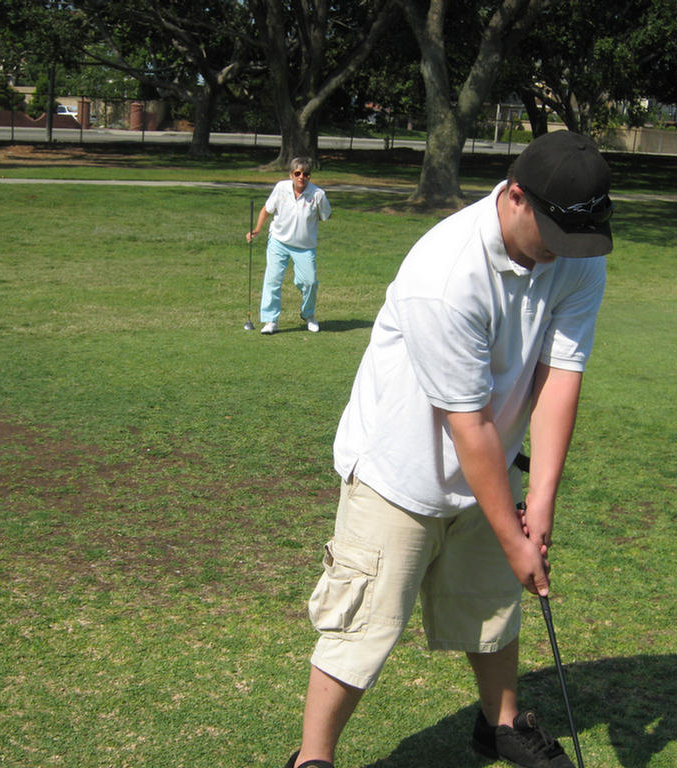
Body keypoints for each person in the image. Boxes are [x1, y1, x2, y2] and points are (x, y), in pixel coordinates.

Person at [282, 131, 614, 768]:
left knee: (492, 605)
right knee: (362, 628)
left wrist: (539, 505)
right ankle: (313, 758)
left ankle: (504, 725)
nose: (560, 257)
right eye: (553, 238)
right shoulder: (444, 273)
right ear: (516, 197)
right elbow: (469, 423)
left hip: (488, 470)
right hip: (398, 472)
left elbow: (560, 376)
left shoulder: (577, 251)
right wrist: (515, 538)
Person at [247, 157, 332, 334]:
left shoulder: (318, 194)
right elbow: (266, 209)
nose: (302, 177)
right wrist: (257, 229)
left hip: (305, 246)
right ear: (291, 175)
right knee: (272, 280)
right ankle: (270, 321)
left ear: (309, 176)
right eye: (298, 173)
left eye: (306, 174)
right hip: (279, 241)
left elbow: (326, 215)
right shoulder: (281, 188)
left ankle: (308, 315)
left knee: (309, 282)